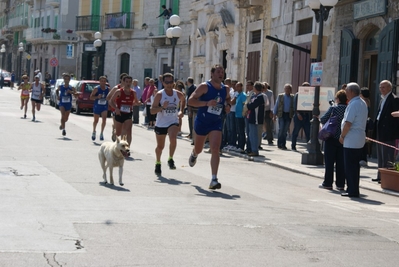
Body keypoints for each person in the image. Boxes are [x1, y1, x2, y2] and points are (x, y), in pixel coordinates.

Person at [188, 64, 231, 190]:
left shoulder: (226, 89)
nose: (221, 74)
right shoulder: (204, 86)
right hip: (202, 121)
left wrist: (227, 105)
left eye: (222, 72)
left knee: (215, 148)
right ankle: (194, 154)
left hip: (216, 122)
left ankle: (214, 179)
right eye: (218, 71)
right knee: (199, 148)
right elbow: (191, 100)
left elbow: (228, 99)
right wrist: (206, 103)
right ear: (212, 74)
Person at [151, 73, 186, 175]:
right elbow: (152, 111)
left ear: (173, 82)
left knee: (173, 138)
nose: (169, 85)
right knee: (160, 147)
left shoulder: (178, 94)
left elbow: (183, 101)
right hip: (161, 123)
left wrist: (181, 111)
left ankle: (170, 159)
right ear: (163, 83)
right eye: (167, 82)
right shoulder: (160, 95)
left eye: (171, 82)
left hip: (173, 121)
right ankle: (158, 162)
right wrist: (162, 107)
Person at [339, 82, 368, 197]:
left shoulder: (354, 104)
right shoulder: (362, 103)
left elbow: (348, 123)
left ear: (351, 92)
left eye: (347, 91)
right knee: (355, 166)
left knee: (350, 166)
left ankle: (352, 190)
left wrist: (342, 136)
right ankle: (353, 188)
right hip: (359, 138)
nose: (346, 93)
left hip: (351, 138)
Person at [319, 89, 347, 190]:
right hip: (343, 138)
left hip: (331, 137)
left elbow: (323, 119)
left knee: (329, 162)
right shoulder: (348, 109)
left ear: (338, 99)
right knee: (341, 162)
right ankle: (340, 184)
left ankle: (328, 183)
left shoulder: (334, 108)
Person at [372, 80, 399, 183]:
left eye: (383, 87)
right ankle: (380, 175)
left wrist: (394, 132)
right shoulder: (382, 99)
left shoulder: (394, 99)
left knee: (387, 155)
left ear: (389, 88)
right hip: (380, 131)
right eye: (380, 87)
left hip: (388, 133)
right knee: (380, 154)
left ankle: (386, 177)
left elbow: (396, 118)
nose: (381, 89)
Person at [109, 75, 138, 148]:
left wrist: (136, 103)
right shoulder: (119, 91)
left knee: (127, 131)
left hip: (128, 113)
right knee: (118, 133)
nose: (128, 83)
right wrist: (116, 108)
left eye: (129, 82)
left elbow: (136, 102)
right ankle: (114, 133)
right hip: (119, 113)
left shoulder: (133, 93)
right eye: (126, 82)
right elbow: (111, 101)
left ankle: (126, 148)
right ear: (123, 82)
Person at [246, 81, 268, 156]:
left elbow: (251, 106)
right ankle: (252, 149)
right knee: (251, 134)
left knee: (254, 135)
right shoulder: (254, 96)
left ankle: (255, 150)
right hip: (251, 117)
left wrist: (248, 105)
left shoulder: (261, 97)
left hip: (256, 118)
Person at [107, 73, 128, 141]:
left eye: (126, 80)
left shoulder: (128, 89)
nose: (125, 82)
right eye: (124, 80)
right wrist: (114, 105)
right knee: (117, 125)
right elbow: (108, 97)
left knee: (124, 126)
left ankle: (122, 141)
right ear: (121, 80)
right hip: (116, 109)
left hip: (126, 110)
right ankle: (114, 132)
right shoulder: (116, 88)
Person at [291, 82, 312, 151]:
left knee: (308, 132)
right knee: (296, 131)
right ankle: (293, 146)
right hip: (299, 115)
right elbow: (295, 105)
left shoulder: (310, 95)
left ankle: (309, 147)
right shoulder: (298, 94)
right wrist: (298, 114)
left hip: (307, 116)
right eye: (306, 87)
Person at [273, 84, 294, 150]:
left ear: (290, 90)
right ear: (284, 89)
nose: (287, 90)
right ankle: (280, 143)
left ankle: (283, 144)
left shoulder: (292, 97)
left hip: (288, 115)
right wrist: (274, 115)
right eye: (286, 88)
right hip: (281, 114)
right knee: (281, 129)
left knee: (285, 130)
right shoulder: (280, 96)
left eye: (288, 88)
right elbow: (276, 105)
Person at [90, 76, 109, 141]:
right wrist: (97, 97)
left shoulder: (108, 89)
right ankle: (94, 131)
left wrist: (108, 98)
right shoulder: (96, 89)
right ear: (99, 81)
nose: (103, 82)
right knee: (96, 120)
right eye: (102, 81)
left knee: (104, 120)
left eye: (104, 81)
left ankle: (101, 133)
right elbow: (91, 97)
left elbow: (110, 97)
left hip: (104, 106)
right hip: (97, 106)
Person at [359, 87, 372, 167]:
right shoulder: (367, 101)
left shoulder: (364, 102)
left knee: (363, 142)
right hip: (364, 123)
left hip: (364, 124)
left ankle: (363, 158)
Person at [232, 82, 247, 153]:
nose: (236, 88)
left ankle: (241, 146)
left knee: (241, 131)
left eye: (238, 86)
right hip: (237, 115)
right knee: (238, 131)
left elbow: (244, 105)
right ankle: (238, 145)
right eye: (236, 86)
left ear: (241, 87)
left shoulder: (243, 95)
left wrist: (244, 113)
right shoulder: (238, 95)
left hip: (241, 115)